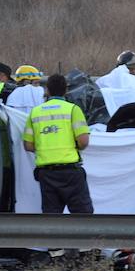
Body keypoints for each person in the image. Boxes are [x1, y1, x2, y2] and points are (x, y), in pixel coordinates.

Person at [22, 73, 93, 214]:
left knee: (51, 217)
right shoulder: (73, 110)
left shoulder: (35, 113)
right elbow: (83, 141)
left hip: (47, 174)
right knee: (83, 217)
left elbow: (28, 145)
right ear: (66, 90)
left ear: (47, 90)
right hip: (71, 173)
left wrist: (46, 148)